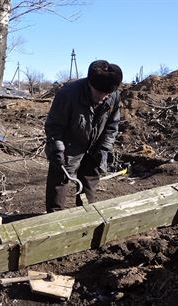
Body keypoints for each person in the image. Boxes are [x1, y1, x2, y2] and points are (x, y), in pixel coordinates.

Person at [44, 60, 123, 213]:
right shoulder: (67, 95)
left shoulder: (113, 96)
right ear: (89, 85)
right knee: (59, 179)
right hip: (69, 144)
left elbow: (112, 125)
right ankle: (54, 217)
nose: (104, 97)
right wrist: (57, 149)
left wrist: (104, 148)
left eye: (108, 94)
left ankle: (86, 215)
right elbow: (54, 126)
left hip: (95, 145)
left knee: (90, 179)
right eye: (100, 93)